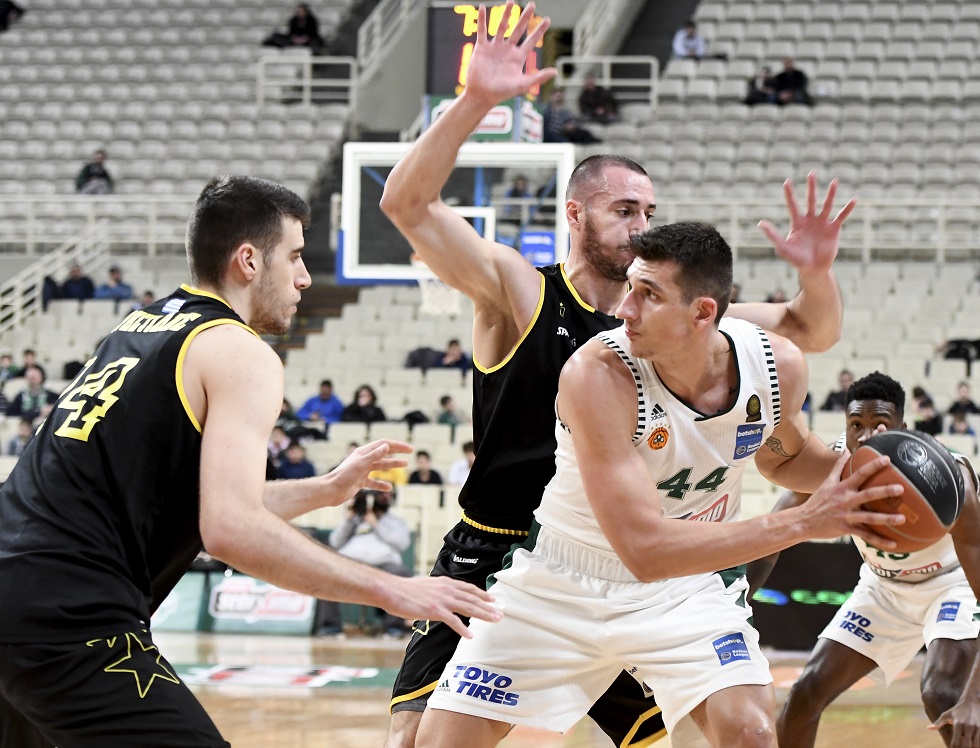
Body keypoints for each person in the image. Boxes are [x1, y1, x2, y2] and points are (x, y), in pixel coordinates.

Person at [378, 3, 853, 745]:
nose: (641, 224)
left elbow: (806, 329)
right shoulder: (520, 291)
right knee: (414, 740)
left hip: (635, 549)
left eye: (650, 210)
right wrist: (476, 101)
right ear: (575, 214)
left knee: (684, 732)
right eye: (623, 209)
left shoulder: (668, 316)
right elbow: (405, 204)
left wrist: (817, 275)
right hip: (509, 539)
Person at [0, 175, 500, 747]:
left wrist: (325, 489)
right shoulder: (238, 350)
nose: (305, 277)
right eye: (294, 256)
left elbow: (198, 506)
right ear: (248, 260)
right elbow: (230, 530)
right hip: (66, 613)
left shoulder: (142, 327)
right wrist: (394, 590)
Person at [416, 223, 904, 748]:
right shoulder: (597, 373)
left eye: (648, 295)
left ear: (703, 313)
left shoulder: (775, 366)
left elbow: (784, 459)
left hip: (685, 589)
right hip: (561, 582)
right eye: (630, 287)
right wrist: (806, 520)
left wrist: (857, 476)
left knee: (752, 735)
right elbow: (644, 549)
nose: (625, 308)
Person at [744, 372, 980, 748]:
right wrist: (734, 604)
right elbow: (774, 532)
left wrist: (976, 698)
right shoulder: (834, 464)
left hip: (951, 586)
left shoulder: (950, 478)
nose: (867, 435)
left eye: (881, 424)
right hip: (882, 587)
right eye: (856, 425)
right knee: (805, 693)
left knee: (943, 693)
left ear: (904, 427)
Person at [315, 490, 415, 638]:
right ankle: (330, 628)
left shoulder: (396, 522)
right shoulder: (355, 519)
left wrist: (375, 523)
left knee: (402, 573)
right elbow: (335, 542)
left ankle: (394, 629)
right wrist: (350, 519)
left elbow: (402, 543)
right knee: (326, 572)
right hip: (352, 564)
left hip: (384, 564)